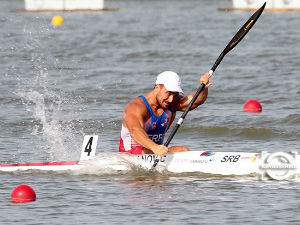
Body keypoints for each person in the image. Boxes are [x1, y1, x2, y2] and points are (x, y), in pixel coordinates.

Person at [119, 71, 212, 156]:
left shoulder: (170, 103)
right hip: (130, 155)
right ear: (157, 87)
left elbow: (194, 102)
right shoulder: (137, 106)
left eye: (175, 94)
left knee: (183, 150)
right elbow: (135, 131)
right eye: (169, 93)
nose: (171, 99)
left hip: (156, 153)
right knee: (178, 150)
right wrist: (154, 147)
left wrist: (203, 87)